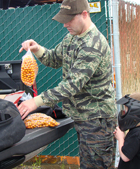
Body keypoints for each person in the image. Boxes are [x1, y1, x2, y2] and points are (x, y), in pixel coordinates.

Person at [18, 0, 117, 168]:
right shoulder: (72, 37)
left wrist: (35, 102)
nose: (65, 25)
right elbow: (54, 59)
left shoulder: (93, 44)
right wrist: (37, 49)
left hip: (97, 120)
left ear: (84, 14)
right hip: (83, 117)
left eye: (69, 19)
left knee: (96, 166)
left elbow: (71, 85)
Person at [113, 93, 140, 169]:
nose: (124, 113)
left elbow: (125, 156)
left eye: (126, 110)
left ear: (136, 113)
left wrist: (120, 138)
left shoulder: (136, 134)